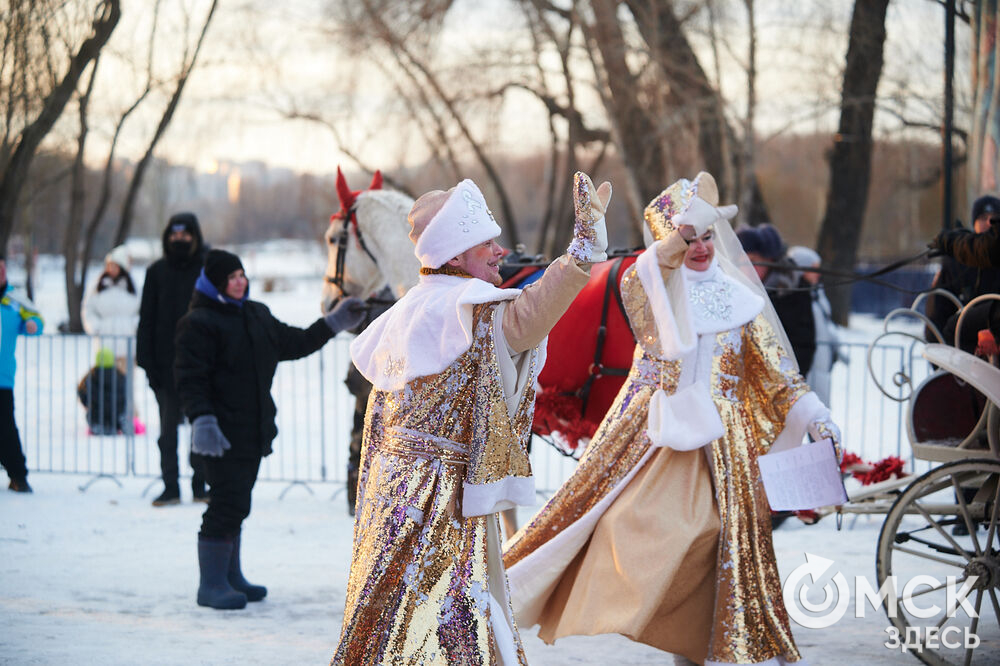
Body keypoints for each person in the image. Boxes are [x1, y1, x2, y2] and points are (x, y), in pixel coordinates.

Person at [502, 173, 840, 666]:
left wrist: (817, 417)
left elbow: (779, 378)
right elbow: (645, 277)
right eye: (688, 238)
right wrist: (675, 241)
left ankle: (698, 650)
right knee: (644, 533)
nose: (700, 247)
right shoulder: (652, 291)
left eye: (707, 236)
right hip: (662, 444)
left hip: (724, 452)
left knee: (714, 545)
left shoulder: (743, 301)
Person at [332, 172, 611, 664]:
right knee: (450, 622)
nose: (501, 251)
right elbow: (534, 313)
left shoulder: (408, 311)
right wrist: (581, 253)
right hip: (444, 499)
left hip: (390, 494)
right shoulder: (472, 311)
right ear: (456, 256)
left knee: (392, 615)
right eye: (487, 243)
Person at [174, 249, 365, 610]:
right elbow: (189, 378)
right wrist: (202, 420)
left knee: (237, 503)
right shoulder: (198, 323)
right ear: (214, 283)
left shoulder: (255, 314)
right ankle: (211, 585)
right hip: (219, 433)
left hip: (253, 429)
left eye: (241, 275)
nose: (239, 282)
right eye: (230, 277)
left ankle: (230, 576)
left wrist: (334, 322)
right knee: (225, 504)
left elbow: (294, 342)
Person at [137, 212, 209, 506]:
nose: (180, 239)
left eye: (186, 234)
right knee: (167, 433)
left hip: (200, 366)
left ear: (195, 236)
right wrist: (146, 362)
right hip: (165, 367)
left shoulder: (206, 269)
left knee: (201, 429)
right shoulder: (156, 272)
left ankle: (200, 485)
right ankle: (170, 486)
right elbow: (146, 319)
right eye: (175, 234)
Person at [737, 223, 816, 375]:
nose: (747, 268)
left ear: (770, 261)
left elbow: (802, 344)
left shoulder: (791, 290)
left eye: (753, 260)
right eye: (742, 261)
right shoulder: (733, 290)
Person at [928, 195, 1000, 351]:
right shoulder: (954, 265)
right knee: (955, 328)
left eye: (994, 219)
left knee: (957, 327)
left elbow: (989, 247)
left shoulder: (987, 251)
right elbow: (937, 313)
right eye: (983, 218)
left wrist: (948, 241)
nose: (989, 223)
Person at [0, 255, 44, 492]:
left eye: (2, 268)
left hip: (2, 376)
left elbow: (36, 317)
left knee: (5, 428)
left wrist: (33, 325)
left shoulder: (14, 298)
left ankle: (18, 475)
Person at [788, 245, 842, 407]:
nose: (818, 273)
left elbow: (826, 324)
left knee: (819, 406)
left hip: (821, 361)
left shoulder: (817, 293)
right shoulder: (794, 296)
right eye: (813, 268)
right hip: (806, 364)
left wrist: (835, 346)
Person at [82, 244, 140, 342]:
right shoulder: (98, 287)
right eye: (109, 265)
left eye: (115, 266)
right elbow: (88, 309)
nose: (111, 269)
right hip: (104, 342)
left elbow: (142, 311)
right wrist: (96, 327)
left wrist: (134, 326)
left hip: (128, 342)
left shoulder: (134, 288)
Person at [77, 347, 128, 435]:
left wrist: (88, 405)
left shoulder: (90, 377)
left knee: (94, 416)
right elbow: (126, 396)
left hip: (96, 417)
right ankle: (119, 426)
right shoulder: (121, 376)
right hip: (117, 417)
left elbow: (82, 393)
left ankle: (99, 427)